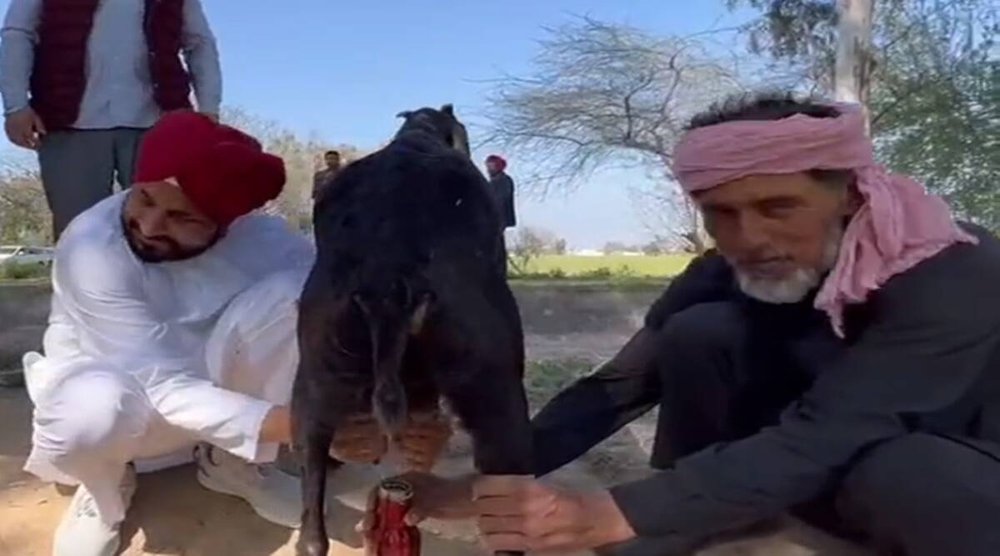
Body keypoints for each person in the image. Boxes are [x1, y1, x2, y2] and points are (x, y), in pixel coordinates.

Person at [376, 93, 1000, 556]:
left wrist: (613, 512)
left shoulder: (950, 271)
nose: (748, 237)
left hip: (954, 472)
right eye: (720, 213)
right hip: (822, 466)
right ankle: (710, 521)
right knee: (699, 332)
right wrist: (488, 481)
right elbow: (616, 387)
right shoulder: (726, 267)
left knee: (905, 471)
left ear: (851, 196)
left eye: (778, 207)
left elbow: (831, 432)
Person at [20, 112, 450, 556]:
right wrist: (311, 425)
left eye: (180, 217)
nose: (148, 226)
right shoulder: (91, 245)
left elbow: (349, 313)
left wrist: (408, 403)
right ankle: (105, 491)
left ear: (227, 224)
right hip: (125, 401)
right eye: (144, 197)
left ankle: (233, 466)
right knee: (88, 413)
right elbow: (158, 384)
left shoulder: (267, 242)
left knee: (298, 295)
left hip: (223, 397)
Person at [0, 0, 222, 240]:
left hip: (158, 123)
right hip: (68, 120)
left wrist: (209, 109)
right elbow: (18, 33)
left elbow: (199, 42)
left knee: (162, 228)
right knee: (78, 234)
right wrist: (16, 106)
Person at [485, 154, 516, 230]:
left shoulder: (504, 180)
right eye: (488, 166)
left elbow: (502, 199)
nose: (488, 169)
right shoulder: (492, 181)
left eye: (491, 166)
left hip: (499, 217)